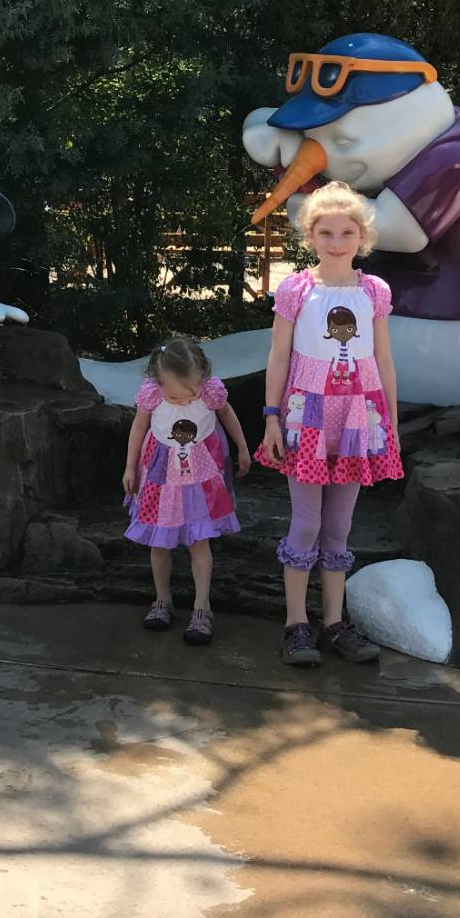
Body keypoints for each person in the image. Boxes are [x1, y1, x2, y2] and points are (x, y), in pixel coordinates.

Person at [256, 181, 402, 667]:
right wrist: (271, 417)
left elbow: (383, 358)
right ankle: (296, 624)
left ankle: (334, 624)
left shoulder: (373, 291)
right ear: (310, 236)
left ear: (361, 237)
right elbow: (278, 356)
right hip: (308, 417)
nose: (336, 242)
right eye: (326, 233)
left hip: (359, 419)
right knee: (307, 522)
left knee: (339, 526)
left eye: (345, 232)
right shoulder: (297, 289)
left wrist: (391, 425)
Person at [122, 336, 249, 645]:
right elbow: (139, 427)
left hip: (199, 479)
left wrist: (243, 448)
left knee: (199, 541)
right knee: (159, 542)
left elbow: (228, 415)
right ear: (158, 384)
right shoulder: (152, 395)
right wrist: (129, 467)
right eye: (176, 398)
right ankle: (162, 600)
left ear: (202, 378)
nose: (183, 402)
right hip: (159, 479)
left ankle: (202, 608)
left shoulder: (210, 392)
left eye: (189, 395)